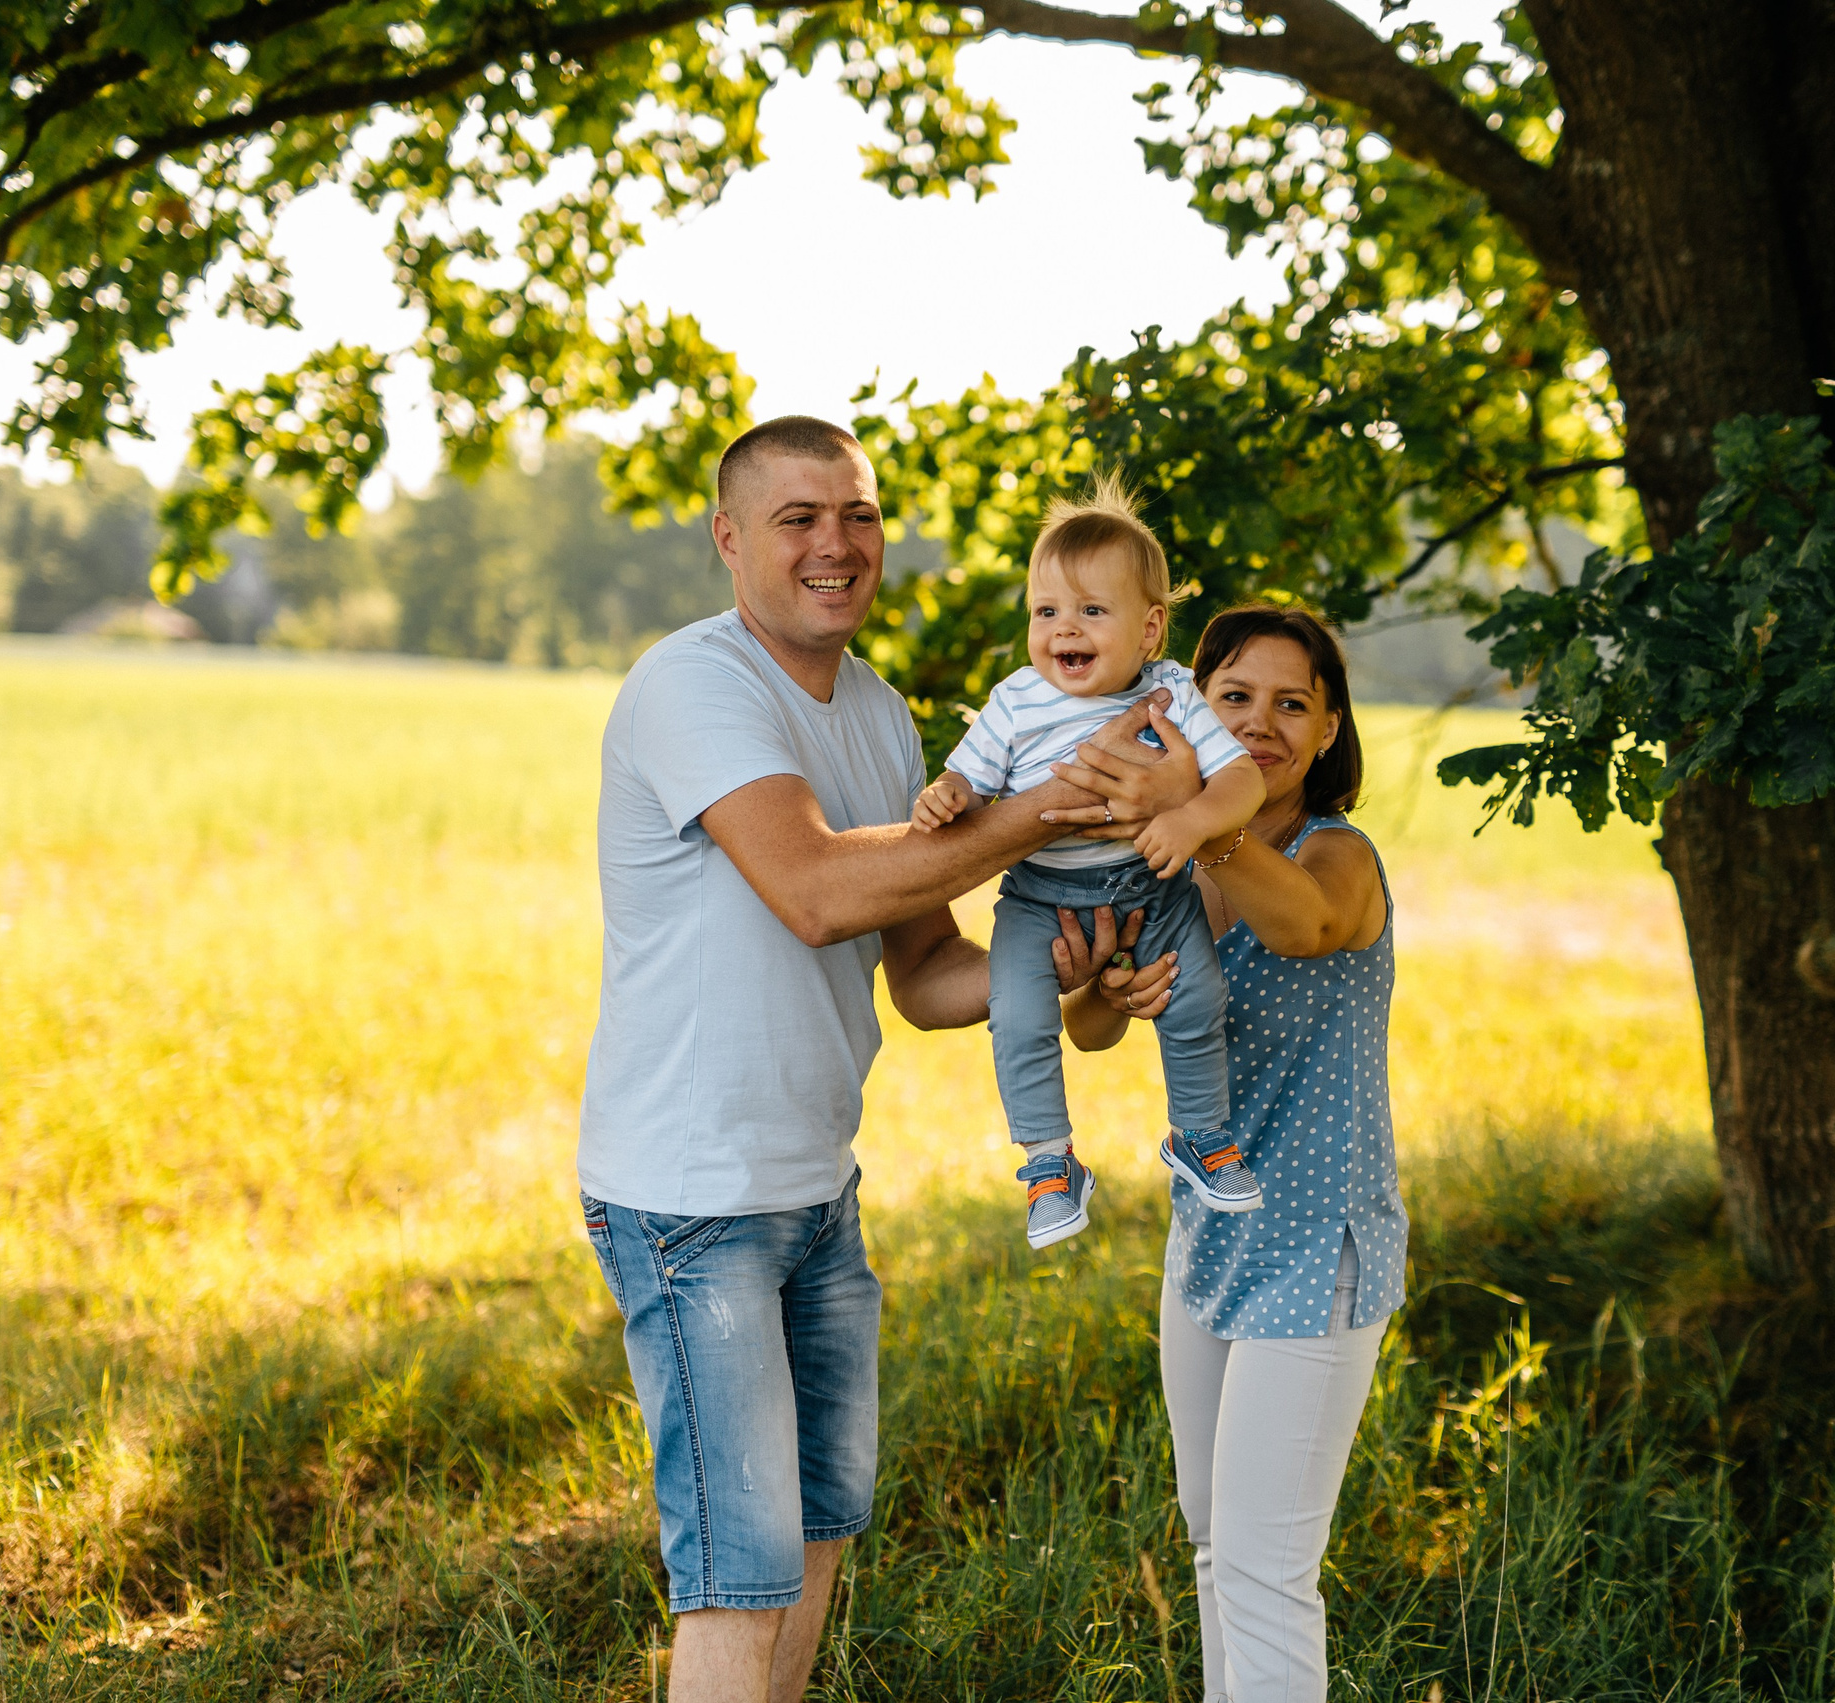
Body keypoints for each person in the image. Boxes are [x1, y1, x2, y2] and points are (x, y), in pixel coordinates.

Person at [575, 416, 1200, 1703]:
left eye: (855, 514)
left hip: (814, 1187)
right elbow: (811, 886)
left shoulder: (883, 716)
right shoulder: (696, 684)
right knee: (734, 1571)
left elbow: (925, 975)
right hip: (694, 1193)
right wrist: (1055, 805)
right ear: (730, 538)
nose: (834, 543)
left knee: (816, 1534)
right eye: (797, 517)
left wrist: (1067, 959)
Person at [1060, 604, 1405, 1703]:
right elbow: (1092, 1026)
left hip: (1319, 1247)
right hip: (1208, 1233)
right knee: (1216, 1543)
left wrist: (1198, 816)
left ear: (1326, 728)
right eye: (1234, 697)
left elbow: (1304, 925)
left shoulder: (1335, 853)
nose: (1261, 723)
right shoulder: (1175, 871)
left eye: (1290, 704)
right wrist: (1106, 984)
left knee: (1264, 1569)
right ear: (1192, 704)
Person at [913, 474, 1268, 1249]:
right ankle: (1047, 1162)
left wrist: (1193, 817)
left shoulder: (1172, 692)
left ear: (1148, 632)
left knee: (1198, 999)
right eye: (1046, 612)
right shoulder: (1015, 699)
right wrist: (946, 793)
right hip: (1040, 897)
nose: (1062, 629)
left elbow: (1241, 775)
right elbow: (971, 778)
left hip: (1154, 884)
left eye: (1090, 611)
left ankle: (1201, 1134)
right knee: (1019, 1015)